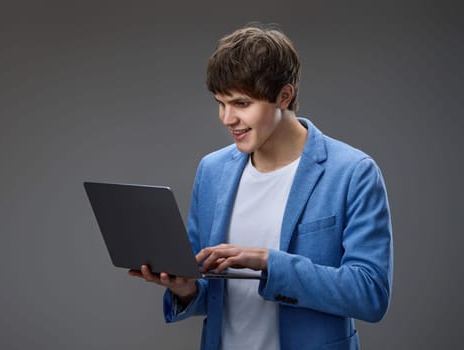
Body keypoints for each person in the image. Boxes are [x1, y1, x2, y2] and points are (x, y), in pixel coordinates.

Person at [129, 23, 393, 350]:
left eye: (241, 104)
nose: (227, 118)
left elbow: (370, 294)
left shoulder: (353, 173)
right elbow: (208, 289)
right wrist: (185, 289)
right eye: (220, 102)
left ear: (284, 96)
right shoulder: (212, 171)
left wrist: (268, 261)